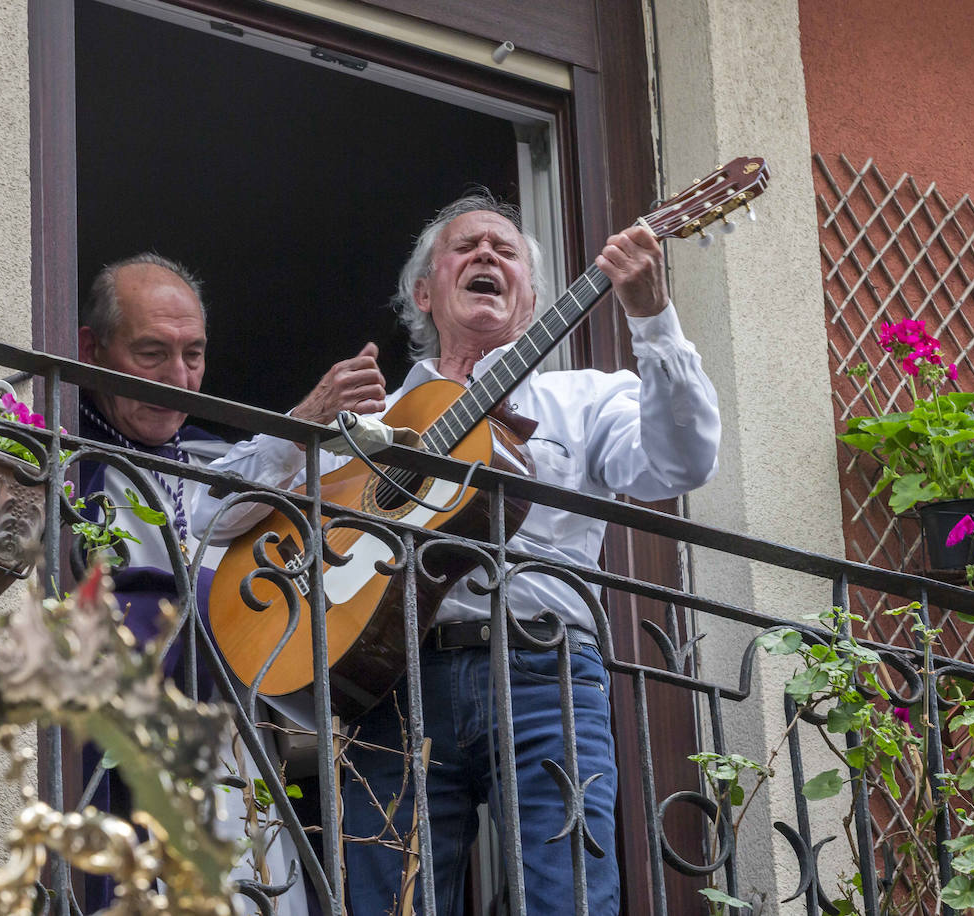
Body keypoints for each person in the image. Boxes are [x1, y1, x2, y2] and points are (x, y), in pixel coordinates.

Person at [192, 193, 721, 914]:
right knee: (386, 901)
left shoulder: (587, 399)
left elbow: (683, 462)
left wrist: (653, 318)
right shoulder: (371, 421)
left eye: (507, 252)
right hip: (391, 678)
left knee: (565, 896)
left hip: (545, 670)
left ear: (532, 299)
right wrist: (302, 426)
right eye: (467, 246)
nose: (488, 257)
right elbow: (210, 515)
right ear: (423, 290)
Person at [75, 252, 308, 916]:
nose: (178, 378)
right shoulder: (58, 462)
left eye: (194, 355)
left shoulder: (220, 458)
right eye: (152, 353)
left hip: (227, 757)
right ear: (92, 349)